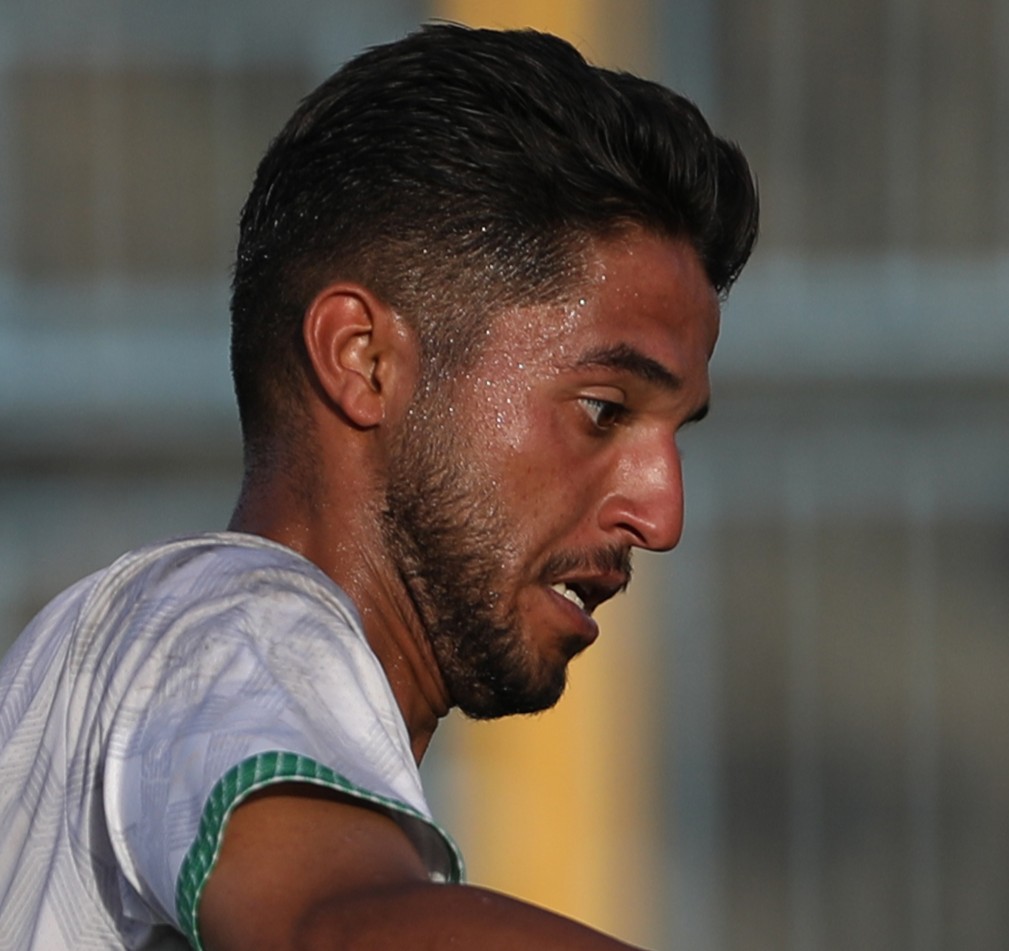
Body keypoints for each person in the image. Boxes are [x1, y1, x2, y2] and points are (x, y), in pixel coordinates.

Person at [0, 22, 758, 950]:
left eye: (675, 434)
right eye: (603, 409)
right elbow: (341, 932)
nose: (661, 511)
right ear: (363, 359)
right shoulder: (232, 623)